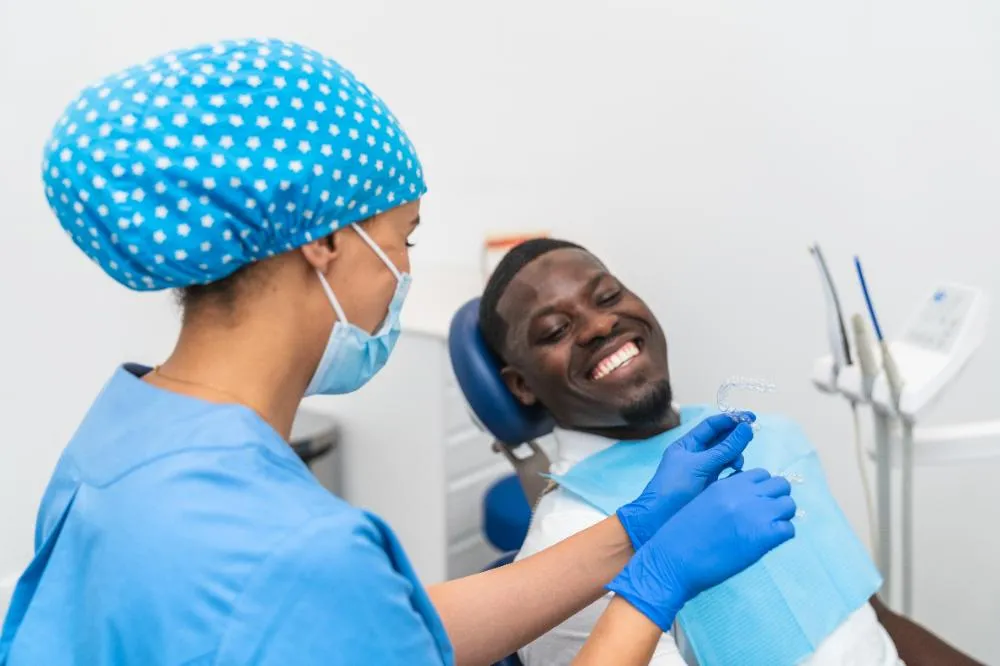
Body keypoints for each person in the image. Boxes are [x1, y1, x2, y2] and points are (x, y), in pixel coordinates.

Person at [0, 39, 798, 666]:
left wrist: (634, 530)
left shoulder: (121, 440)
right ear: (323, 240)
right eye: (401, 238)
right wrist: (651, 594)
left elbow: (390, 629)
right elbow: (326, 601)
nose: (404, 272)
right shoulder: (296, 552)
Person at [477, 237, 984, 666]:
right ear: (521, 385)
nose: (598, 326)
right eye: (555, 331)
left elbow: (868, 616)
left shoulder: (767, 435)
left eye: (607, 295)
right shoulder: (567, 549)